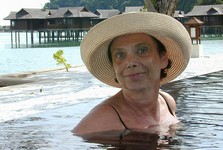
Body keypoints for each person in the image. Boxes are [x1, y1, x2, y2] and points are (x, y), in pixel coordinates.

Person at [72, 12, 192, 135]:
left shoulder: (167, 102)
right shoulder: (102, 119)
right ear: (114, 66)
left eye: (142, 50)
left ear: (163, 59)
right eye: (120, 55)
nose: (130, 63)